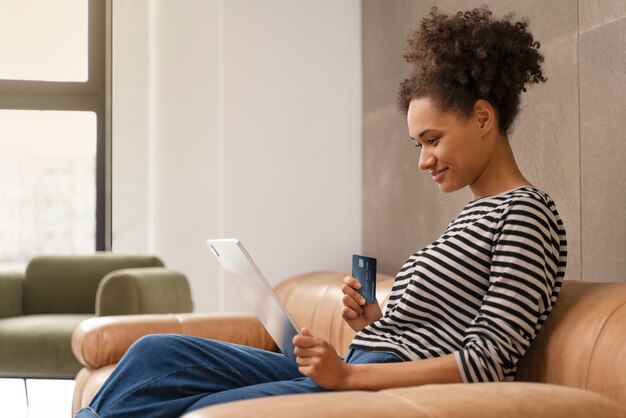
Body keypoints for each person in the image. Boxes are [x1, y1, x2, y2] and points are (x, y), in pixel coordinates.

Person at [76, 6, 567, 417]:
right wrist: (371, 319)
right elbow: (433, 332)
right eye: (418, 144)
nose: (422, 160)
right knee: (154, 354)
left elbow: (486, 360)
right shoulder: (474, 214)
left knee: (200, 406)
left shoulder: (526, 214)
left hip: (377, 385)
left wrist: (350, 374)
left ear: (483, 117)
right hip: (362, 367)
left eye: (432, 140)